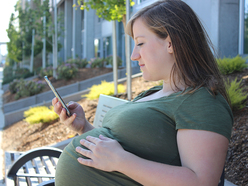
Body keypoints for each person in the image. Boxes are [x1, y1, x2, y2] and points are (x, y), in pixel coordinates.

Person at [52, 0, 233, 185]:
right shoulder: (153, 94)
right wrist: (84, 128)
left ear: (170, 43)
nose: (133, 55)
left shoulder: (202, 101)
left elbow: (201, 181)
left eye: (140, 43)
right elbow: (121, 147)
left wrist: (122, 161)